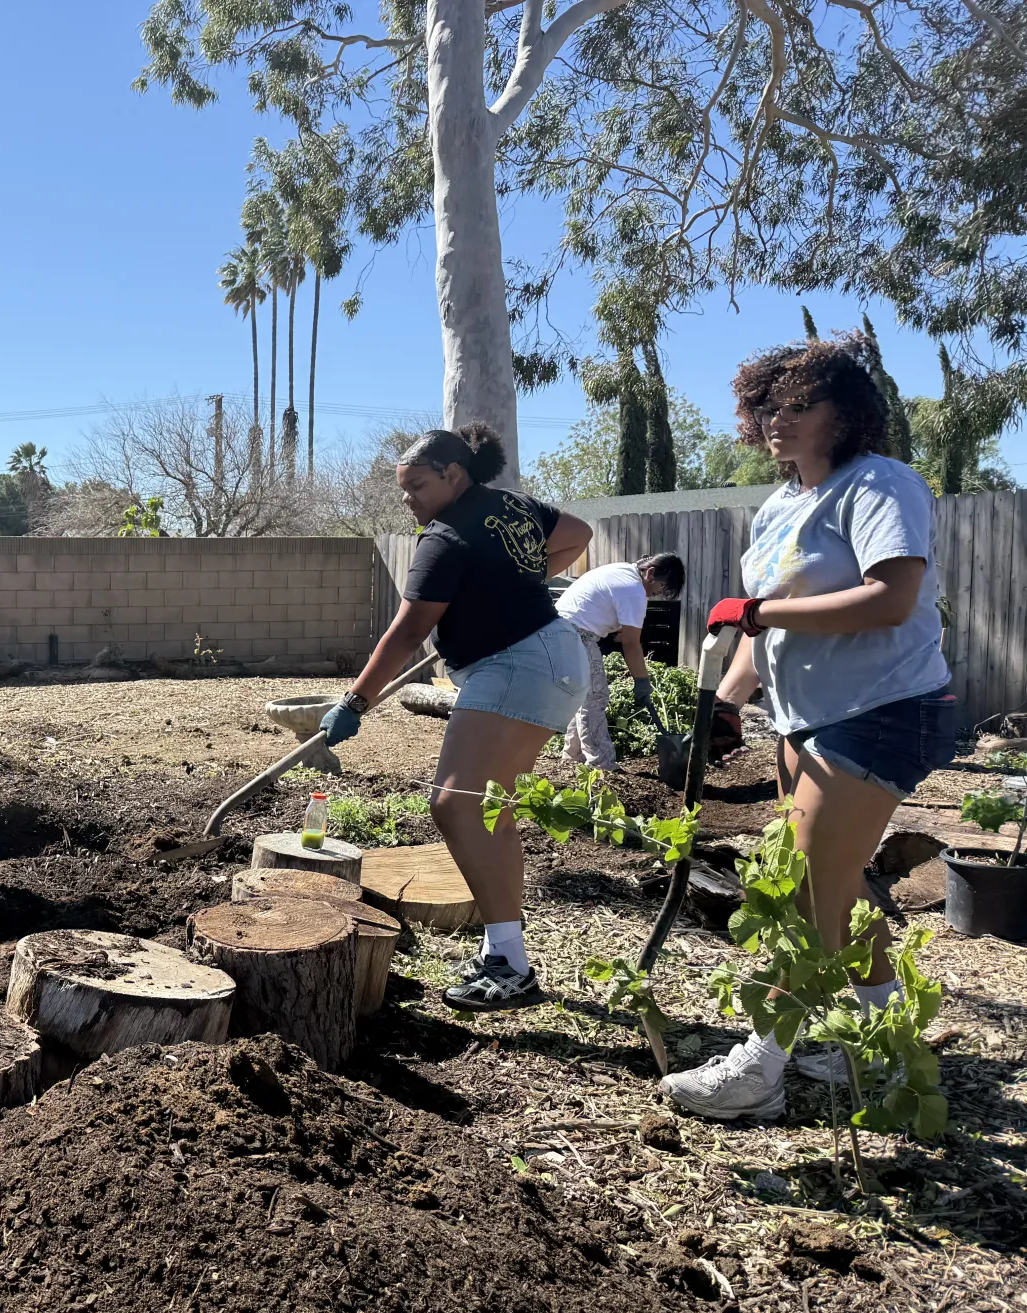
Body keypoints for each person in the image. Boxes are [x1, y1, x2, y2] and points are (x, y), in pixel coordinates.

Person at [660, 340, 956, 1122]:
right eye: (767, 407)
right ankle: (883, 1041)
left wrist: (757, 610)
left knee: (794, 890)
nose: (777, 422)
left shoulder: (880, 485)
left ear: (846, 415)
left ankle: (759, 1069)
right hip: (803, 716)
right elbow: (761, 636)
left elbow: (889, 600)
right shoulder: (781, 506)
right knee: (843, 886)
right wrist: (723, 704)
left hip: (884, 709)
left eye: (799, 406)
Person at [319, 424, 593, 1011]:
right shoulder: (509, 506)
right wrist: (512, 584)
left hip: (519, 662)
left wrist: (355, 701)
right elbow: (577, 533)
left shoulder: (445, 537)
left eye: (417, 486)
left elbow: (409, 632)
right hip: (549, 654)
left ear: (452, 475)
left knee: (457, 802)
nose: (409, 500)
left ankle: (509, 962)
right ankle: (506, 953)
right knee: (487, 804)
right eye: (403, 490)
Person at [555, 553, 687, 770]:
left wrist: (615, 629)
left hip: (559, 631)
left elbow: (604, 605)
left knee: (583, 696)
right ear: (650, 572)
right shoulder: (634, 589)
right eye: (662, 586)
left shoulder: (622, 570)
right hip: (576, 636)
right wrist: (642, 681)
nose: (658, 593)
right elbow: (632, 644)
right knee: (596, 697)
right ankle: (602, 764)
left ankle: (573, 755)